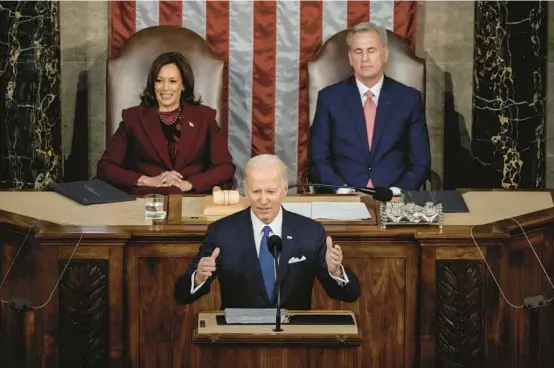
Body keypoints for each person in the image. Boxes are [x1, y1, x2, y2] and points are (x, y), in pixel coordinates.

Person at [174, 154, 360, 309]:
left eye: (270, 192)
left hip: (294, 340)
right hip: (239, 339)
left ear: (285, 190)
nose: (263, 200)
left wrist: (336, 272)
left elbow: (349, 295)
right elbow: (181, 295)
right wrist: (198, 277)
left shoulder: (310, 232)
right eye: (256, 191)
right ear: (246, 190)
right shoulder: (222, 232)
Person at [309, 22, 431, 192]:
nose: (364, 58)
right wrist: (340, 189)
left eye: (371, 50)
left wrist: (398, 190)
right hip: (344, 197)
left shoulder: (409, 99)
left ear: (385, 54)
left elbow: (420, 163)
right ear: (350, 58)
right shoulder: (329, 98)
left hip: (393, 197)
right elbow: (318, 160)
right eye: (358, 51)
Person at [97, 52, 235, 194]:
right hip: (146, 199)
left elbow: (225, 167)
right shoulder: (133, 118)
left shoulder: (204, 117)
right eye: (159, 80)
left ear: (183, 85)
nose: (165, 88)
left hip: (191, 198)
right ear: (153, 84)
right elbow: (105, 167)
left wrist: (189, 184)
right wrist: (147, 180)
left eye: (172, 81)